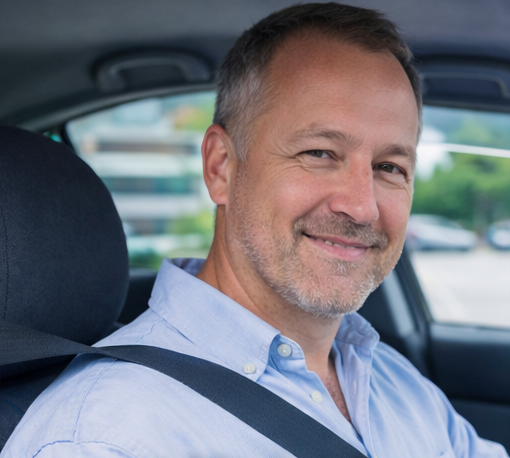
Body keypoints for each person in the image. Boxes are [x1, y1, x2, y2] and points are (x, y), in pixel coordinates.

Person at [2, 3, 508, 457]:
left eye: (390, 167)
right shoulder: (106, 437)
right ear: (221, 167)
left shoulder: (394, 382)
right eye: (319, 153)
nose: (362, 207)